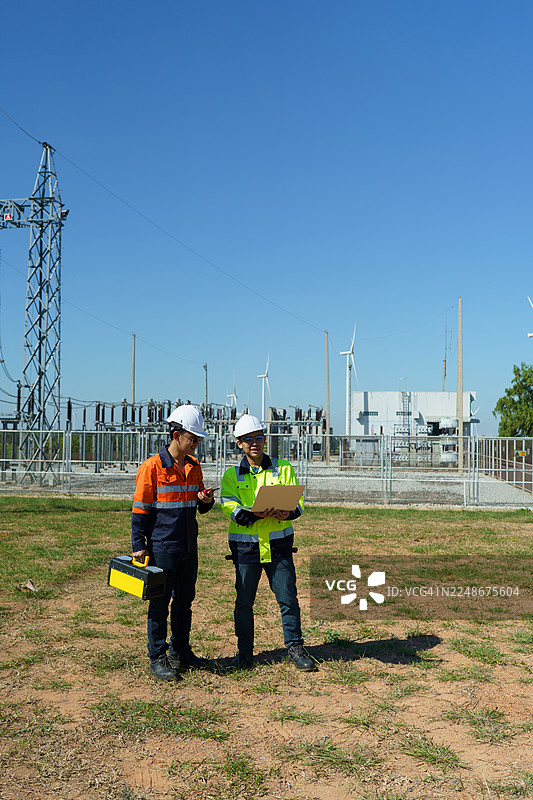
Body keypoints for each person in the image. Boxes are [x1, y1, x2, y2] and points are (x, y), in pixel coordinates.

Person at [221, 413, 315, 672]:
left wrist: (289, 512)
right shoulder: (232, 475)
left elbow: (299, 502)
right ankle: (244, 653)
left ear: (265, 439)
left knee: (288, 599)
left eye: (259, 437)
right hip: (246, 549)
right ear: (239, 443)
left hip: (279, 547)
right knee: (244, 603)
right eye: (248, 439)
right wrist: (253, 514)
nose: (255, 443)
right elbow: (228, 505)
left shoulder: (283, 468)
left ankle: (295, 647)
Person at [132, 404, 214, 681]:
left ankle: (181, 650)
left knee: (184, 602)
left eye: (199, 439)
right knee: (159, 604)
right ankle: (157, 656)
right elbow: (140, 510)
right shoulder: (152, 467)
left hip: (188, 547)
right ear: (177, 435)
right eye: (194, 439)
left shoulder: (194, 466)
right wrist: (138, 546)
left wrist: (207, 500)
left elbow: (200, 509)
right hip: (162, 547)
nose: (197, 444)